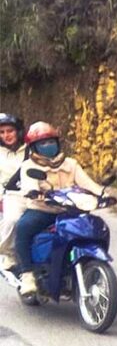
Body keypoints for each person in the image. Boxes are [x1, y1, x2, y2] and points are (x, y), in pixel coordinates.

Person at [14, 122, 105, 297]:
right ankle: (27, 275)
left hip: (70, 210)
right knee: (23, 229)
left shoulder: (71, 164)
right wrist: (35, 193)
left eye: (51, 142)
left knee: (92, 229)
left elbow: (87, 183)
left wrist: (102, 193)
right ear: (34, 147)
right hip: (42, 211)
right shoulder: (29, 166)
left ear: (58, 143)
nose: (48, 146)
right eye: (43, 143)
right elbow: (28, 185)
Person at [0, 112, 26, 271]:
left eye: (10, 131)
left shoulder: (31, 150)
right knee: (14, 220)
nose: (6, 135)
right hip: (9, 196)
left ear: (18, 131)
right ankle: (9, 253)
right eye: (2, 132)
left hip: (34, 194)